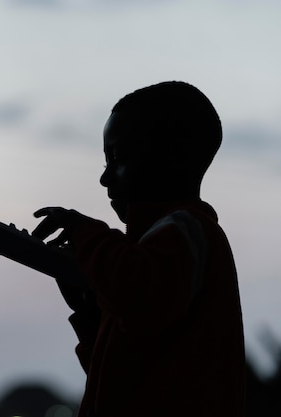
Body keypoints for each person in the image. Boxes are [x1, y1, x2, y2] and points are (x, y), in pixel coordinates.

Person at [32, 81, 245, 416]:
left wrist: (85, 231)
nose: (104, 179)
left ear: (173, 157)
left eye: (117, 157)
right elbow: (127, 378)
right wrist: (93, 316)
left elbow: (139, 296)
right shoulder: (158, 249)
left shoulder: (188, 229)